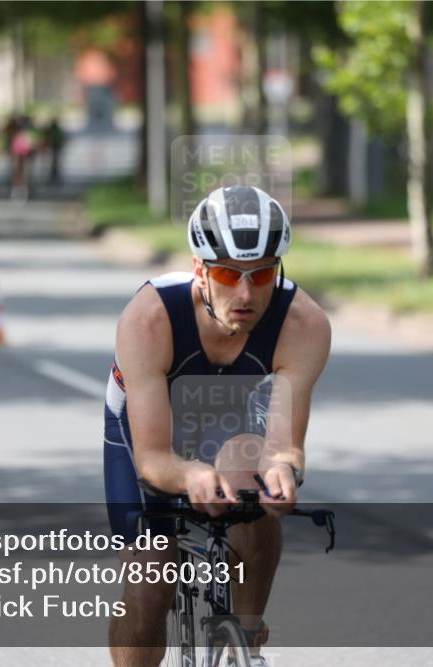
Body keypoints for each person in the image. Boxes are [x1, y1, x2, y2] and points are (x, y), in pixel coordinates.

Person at [104, 185, 332, 666]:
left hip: (229, 420)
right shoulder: (148, 320)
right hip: (150, 430)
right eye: (228, 274)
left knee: (256, 491)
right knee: (151, 583)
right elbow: (153, 458)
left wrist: (282, 472)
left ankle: (244, 642)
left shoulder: (304, 325)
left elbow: (283, 446)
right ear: (200, 270)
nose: (246, 294)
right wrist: (190, 474)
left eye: (261, 274)